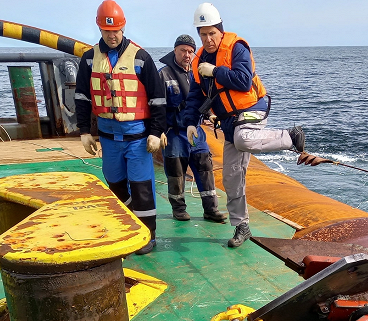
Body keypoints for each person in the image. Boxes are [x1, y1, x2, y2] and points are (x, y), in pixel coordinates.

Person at [182, 3, 305, 248]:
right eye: (203, 34)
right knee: (230, 178)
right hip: (229, 121)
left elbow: (242, 81)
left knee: (244, 139)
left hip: (252, 110)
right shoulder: (198, 61)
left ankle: (291, 136)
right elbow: (195, 95)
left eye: (212, 33)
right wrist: (190, 123)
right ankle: (242, 226)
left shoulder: (237, 48)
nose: (208, 39)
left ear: (220, 30)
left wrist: (215, 70)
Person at [75, 0, 167, 254]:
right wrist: (84, 131)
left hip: (137, 137)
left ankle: (148, 235)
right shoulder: (88, 60)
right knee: (114, 183)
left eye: (116, 30)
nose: (112, 35)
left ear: (123, 27)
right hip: (107, 137)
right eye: (107, 31)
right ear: (99, 29)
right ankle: (129, 224)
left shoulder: (141, 58)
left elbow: (158, 99)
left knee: (141, 186)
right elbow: (82, 96)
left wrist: (156, 132)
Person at [158, 35, 226, 223]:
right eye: (183, 50)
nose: (187, 55)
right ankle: (179, 208)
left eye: (190, 51)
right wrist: (159, 131)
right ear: (175, 51)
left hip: (195, 129)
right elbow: (157, 106)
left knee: (205, 167)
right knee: (176, 170)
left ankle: (211, 210)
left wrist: (210, 114)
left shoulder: (198, 73)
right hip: (175, 131)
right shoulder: (163, 74)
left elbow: (204, 98)